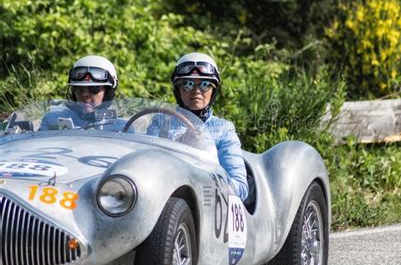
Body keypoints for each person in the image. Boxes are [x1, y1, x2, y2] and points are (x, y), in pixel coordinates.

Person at [147, 52, 249, 201]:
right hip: (162, 195)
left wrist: (205, 160)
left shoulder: (223, 129)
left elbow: (240, 187)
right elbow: (147, 164)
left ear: (213, 90)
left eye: (205, 84)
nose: (196, 91)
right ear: (178, 90)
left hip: (205, 201)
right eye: (188, 84)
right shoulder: (161, 121)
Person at [40, 55, 127, 131]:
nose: (85, 94)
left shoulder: (121, 127)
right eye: (78, 88)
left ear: (108, 92)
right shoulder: (52, 121)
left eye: (93, 88)